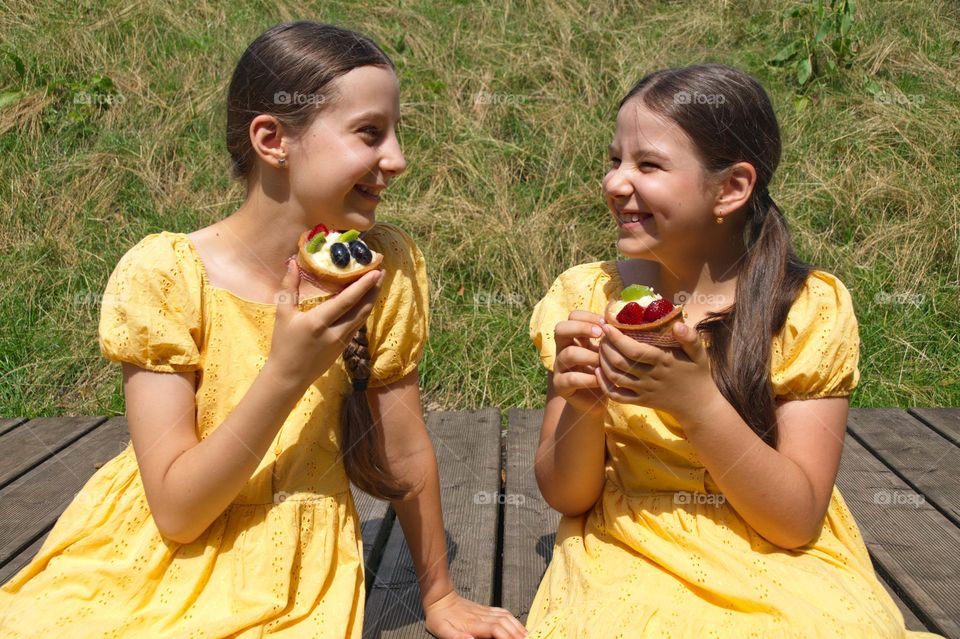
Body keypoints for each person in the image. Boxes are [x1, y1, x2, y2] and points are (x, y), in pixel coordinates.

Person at [0, 21, 525, 639]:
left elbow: (405, 452)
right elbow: (176, 512)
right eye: (369, 133)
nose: (398, 159)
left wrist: (439, 596)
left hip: (295, 564)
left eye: (396, 133)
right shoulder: (168, 275)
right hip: (149, 551)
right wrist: (287, 372)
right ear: (273, 139)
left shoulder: (384, 268)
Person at [525, 63, 942, 638]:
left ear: (731, 188)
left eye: (648, 165)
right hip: (630, 545)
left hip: (775, 551)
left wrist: (698, 405)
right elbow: (567, 495)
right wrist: (583, 405)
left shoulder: (805, 308)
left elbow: (795, 521)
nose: (617, 182)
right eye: (613, 159)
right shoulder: (589, 295)